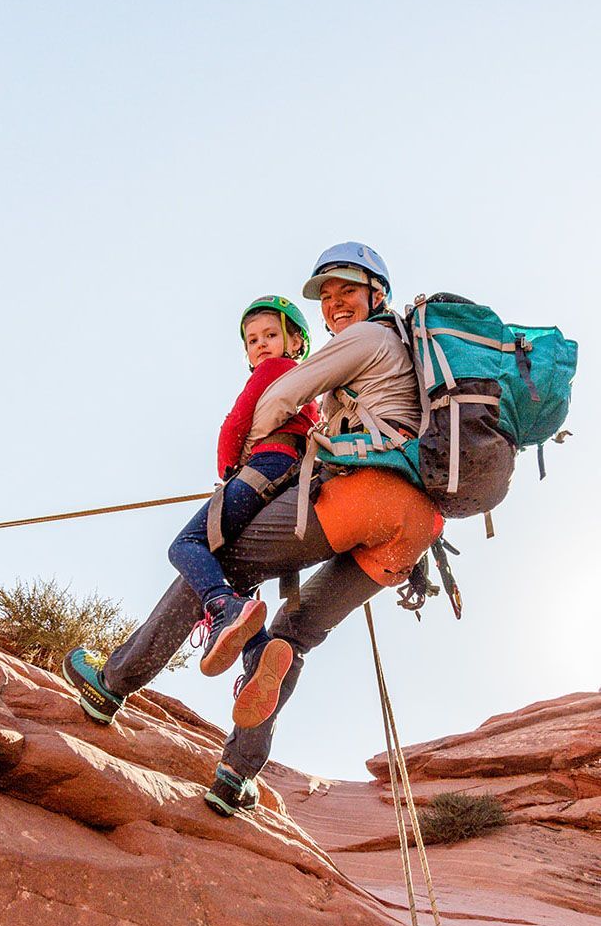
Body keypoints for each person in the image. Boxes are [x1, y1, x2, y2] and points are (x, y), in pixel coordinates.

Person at [63, 243, 443, 817]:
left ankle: (112, 681)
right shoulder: (415, 359)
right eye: (328, 296)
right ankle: (236, 776)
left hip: (361, 496)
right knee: (292, 637)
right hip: (414, 531)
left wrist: (246, 455)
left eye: (348, 291)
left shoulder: (365, 339)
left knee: (224, 559)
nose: (336, 305)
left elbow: (281, 397)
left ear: (378, 294)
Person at [166, 295, 318, 727]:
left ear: (296, 341)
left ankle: (221, 607)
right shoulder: (309, 389)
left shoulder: (274, 372)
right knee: (236, 570)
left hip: (262, 467)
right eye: (253, 340)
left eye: (272, 335)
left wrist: (228, 468)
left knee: (186, 545)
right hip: (292, 481)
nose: (262, 345)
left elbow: (235, 422)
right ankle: (258, 655)